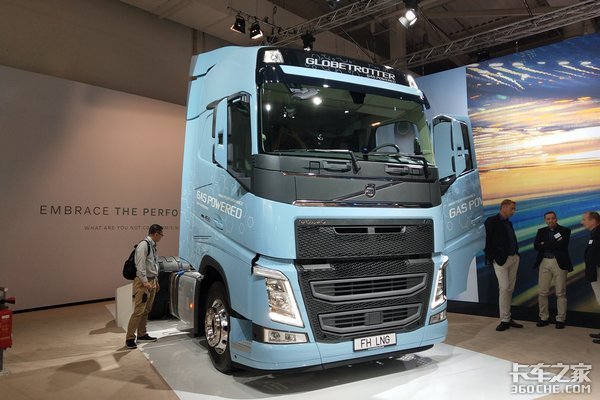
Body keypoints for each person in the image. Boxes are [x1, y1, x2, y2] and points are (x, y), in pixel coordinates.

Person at [484, 199, 524, 331]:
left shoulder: (508, 223)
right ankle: (504, 319)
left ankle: (507, 317)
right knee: (505, 288)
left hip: (514, 258)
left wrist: (516, 254)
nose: (513, 211)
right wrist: (492, 258)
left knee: (510, 289)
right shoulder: (491, 221)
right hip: (501, 260)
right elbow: (487, 241)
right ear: (504, 207)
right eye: (512, 208)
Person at [125, 224, 163, 349]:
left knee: (146, 310)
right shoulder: (144, 245)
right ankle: (130, 338)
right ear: (156, 233)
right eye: (161, 234)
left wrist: (155, 280)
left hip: (151, 281)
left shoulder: (152, 246)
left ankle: (142, 334)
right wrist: (145, 282)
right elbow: (140, 266)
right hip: (143, 283)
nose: (161, 237)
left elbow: (152, 265)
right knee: (139, 311)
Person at [533, 211, 572, 329]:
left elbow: (561, 245)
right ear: (545, 220)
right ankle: (543, 318)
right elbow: (536, 246)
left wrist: (544, 244)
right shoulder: (541, 231)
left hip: (559, 263)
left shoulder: (565, 230)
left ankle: (560, 319)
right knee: (542, 292)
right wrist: (550, 244)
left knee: (560, 292)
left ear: (556, 219)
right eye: (548, 219)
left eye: (553, 218)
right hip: (544, 262)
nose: (551, 221)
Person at [582, 211, 600, 343]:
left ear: (593, 221)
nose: (582, 222)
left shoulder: (598, 233)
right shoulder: (595, 233)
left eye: (584, 219)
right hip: (595, 271)